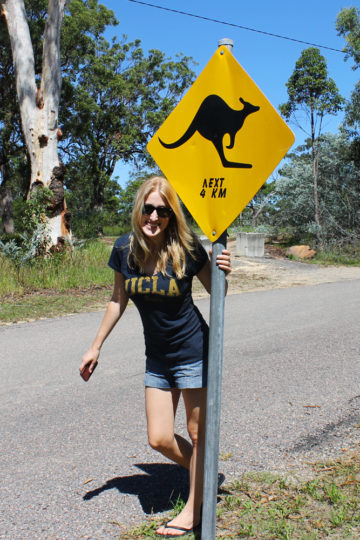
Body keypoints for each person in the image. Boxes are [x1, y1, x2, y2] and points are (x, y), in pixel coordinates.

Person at [80, 175, 231, 538]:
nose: (154, 217)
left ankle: (193, 511)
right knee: (159, 437)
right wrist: (95, 345)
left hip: (194, 351)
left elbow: (218, 293)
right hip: (158, 357)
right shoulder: (124, 250)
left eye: (163, 211)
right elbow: (119, 300)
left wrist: (223, 268)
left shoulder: (187, 248)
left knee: (197, 434)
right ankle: (205, 473)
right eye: (149, 208)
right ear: (139, 209)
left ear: (171, 216)